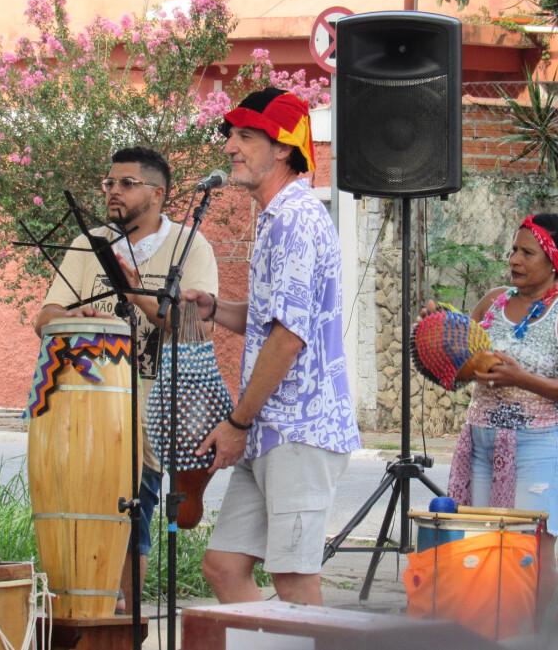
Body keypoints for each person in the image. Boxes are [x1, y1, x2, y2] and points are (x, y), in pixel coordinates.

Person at [185, 87, 361, 607]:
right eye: (231, 136)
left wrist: (236, 423)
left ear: (283, 147)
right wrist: (214, 309)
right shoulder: (276, 216)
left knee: (294, 578)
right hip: (273, 429)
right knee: (223, 567)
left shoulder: (295, 219)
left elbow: (287, 340)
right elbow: (273, 322)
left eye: (245, 136)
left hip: (299, 432)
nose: (230, 148)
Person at [34, 145, 218, 615]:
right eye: (109, 183)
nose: (113, 192)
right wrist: (77, 314)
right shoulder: (87, 243)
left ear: (157, 194)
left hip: (153, 405)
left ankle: (127, 622)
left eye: (126, 184)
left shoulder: (190, 246)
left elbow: (195, 324)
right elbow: (47, 316)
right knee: (85, 506)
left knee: (135, 511)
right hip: (88, 405)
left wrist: (133, 288)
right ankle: (88, 614)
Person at [444, 212, 558, 609]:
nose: (514, 259)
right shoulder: (492, 303)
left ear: (554, 262)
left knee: (531, 556)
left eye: (528, 252)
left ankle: (540, 637)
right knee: (482, 548)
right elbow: (457, 370)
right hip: (482, 444)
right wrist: (441, 334)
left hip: (542, 447)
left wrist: (521, 378)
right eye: (514, 249)